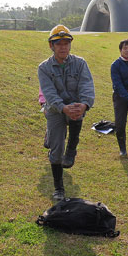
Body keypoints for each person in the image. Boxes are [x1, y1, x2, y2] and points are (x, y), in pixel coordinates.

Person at [38, 25, 95, 201]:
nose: (63, 47)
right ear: (51, 46)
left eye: (66, 43)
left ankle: (72, 149)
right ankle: (59, 187)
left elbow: (86, 85)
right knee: (56, 147)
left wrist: (85, 104)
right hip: (55, 109)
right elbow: (49, 93)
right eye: (58, 43)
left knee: (78, 112)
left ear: (70, 45)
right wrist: (63, 107)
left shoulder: (80, 63)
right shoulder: (44, 68)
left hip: (75, 107)